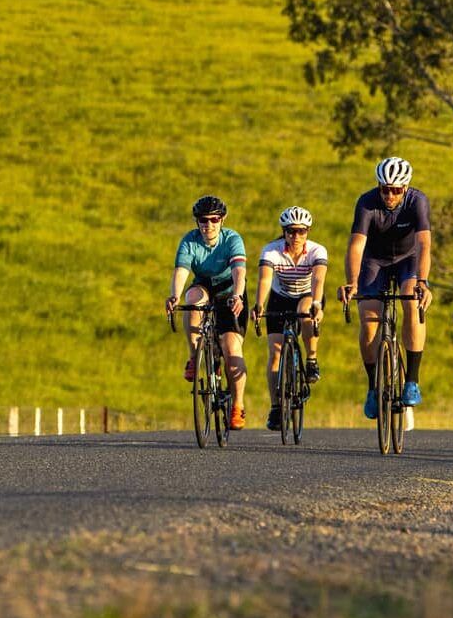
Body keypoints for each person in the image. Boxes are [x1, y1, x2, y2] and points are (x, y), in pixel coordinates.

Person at [337, 157, 432, 419]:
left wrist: (422, 281)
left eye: (396, 190)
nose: (389, 195)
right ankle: (373, 386)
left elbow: (424, 243)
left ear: (406, 188)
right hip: (374, 261)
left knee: (412, 304)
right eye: (385, 189)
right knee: (368, 322)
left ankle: (411, 379)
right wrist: (352, 281)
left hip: (408, 260)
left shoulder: (417, 201)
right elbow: (356, 245)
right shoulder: (367, 202)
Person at [167, 194, 249, 431]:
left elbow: (239, 271)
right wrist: (174, 295)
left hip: (230, 290)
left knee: (231, 346)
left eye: (214, 219)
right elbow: (181, 270)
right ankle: (195, 356)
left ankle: (238, 405)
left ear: (222, 220)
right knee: (192, 300)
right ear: (197, 222)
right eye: (203, 220)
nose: (208, 225)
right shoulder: (190, 241)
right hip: (203, 285)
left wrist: (237, 295)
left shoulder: (232, 239)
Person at [253, 205, 328, 431]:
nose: (296, 236)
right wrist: (259, 304)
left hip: (308, 295)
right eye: (291, 231)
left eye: (301, 231)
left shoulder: (317, 251)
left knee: (306, 310)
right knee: (275, 354)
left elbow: (318, 279)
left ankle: (311, 359)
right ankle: (276, 407)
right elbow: (265, 279)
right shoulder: (271, 251)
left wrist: (316, 303)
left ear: (308, 232)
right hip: (280, 297)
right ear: (284, 232)